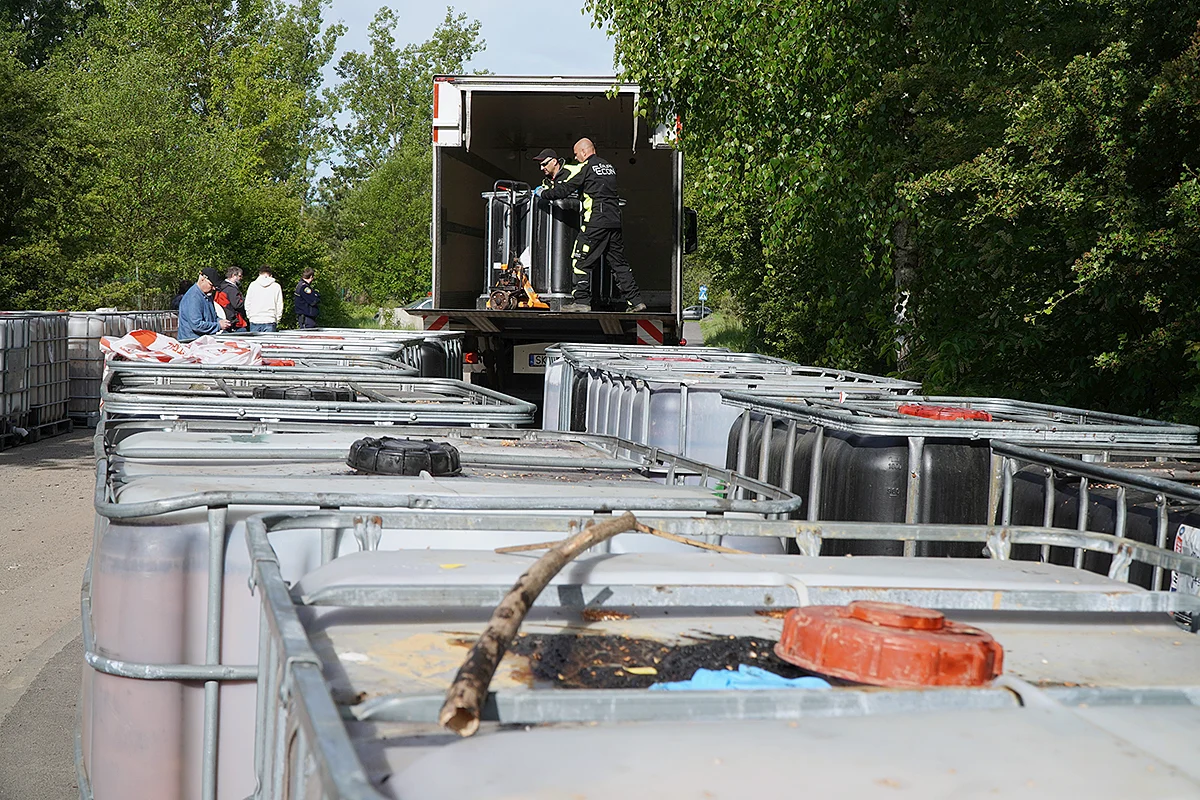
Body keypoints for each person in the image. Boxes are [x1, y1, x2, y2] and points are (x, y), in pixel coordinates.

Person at [537, 137, 645, 313]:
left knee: (579, 259)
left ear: (584, 152)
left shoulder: (586, 168)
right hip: (614, 220)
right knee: (619, 263)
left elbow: (565, 189)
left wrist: (544, 193)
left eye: (576, 154)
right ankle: (636, 301)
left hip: (596, 220)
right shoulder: (608, 167)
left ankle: (581, 301)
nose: (576, 158)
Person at [178, 267, 232, 341]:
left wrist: (220, 321)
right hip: (192, 343)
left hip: (203, 342)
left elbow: (212, 317)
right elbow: (196, 325)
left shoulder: (207, 295)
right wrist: (219, 325)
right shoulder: (193, 297)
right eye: (211, 285)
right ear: (202, 279)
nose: (213, 288)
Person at [244, 266, 283, 332]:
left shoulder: (253, 285)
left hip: (255, 319)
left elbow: (247, 302)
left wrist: (250, 316)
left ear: (259, 274)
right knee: (269, 342)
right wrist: (277, 319)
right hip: (270, 319)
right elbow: (279, 304)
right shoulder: (276, 286)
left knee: (254, 342)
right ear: (271, 275)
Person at [214, 266, 248, 331]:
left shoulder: (221, 287)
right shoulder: (231, 289)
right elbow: (238, 304)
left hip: (224, 319)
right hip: (234, 322)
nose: (241, 278)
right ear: (233, 275)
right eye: (240, 276)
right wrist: (246, 300)